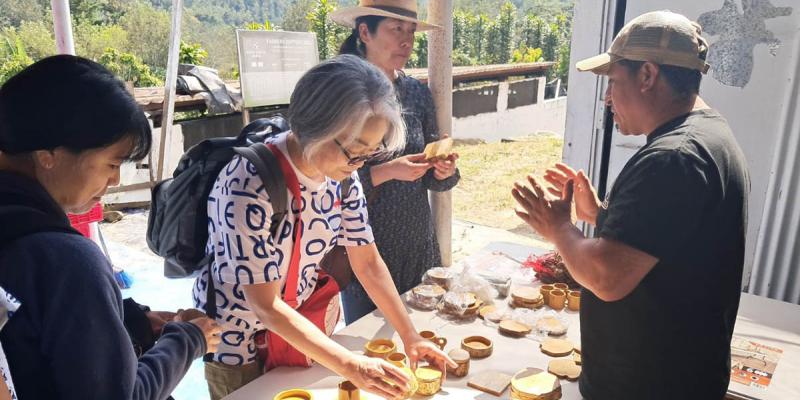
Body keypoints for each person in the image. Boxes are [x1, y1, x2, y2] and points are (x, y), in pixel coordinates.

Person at [512, 11, 750, 400]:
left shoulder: (674, 156)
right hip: (686, 374)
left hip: (650, 384)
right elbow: (669, 242)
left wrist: (559, 228)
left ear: (647, 76)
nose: (607, 98)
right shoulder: (711, 134)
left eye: (613, 82)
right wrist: (597, 215)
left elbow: (607, 278)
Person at [194, 54, 455, 400]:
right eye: (354, 152)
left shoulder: (343, 179)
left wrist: (411, 336)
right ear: (312, 127)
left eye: (370, 155)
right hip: (240, 347)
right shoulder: (248, 183)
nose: (359, 164)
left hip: (300, 331)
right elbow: (266, 307)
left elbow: (367, 262)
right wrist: (351, 365)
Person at [0, 55, 222, 399]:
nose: (116, 179)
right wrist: (188, 340)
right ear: (50, 154)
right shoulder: (65, 261)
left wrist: (128, 319)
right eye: (112, 162)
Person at [332, 0, 460, 324]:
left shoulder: (415, 93)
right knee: (373, 354)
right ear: (365, 31)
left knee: (422, 336)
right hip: (365, 248)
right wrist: (388, 171)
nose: (406, 40)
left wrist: (443, 169)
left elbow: (433, 174)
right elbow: (326, 180)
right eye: (396, 28)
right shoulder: (342, 93)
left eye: (411, 31)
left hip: (417, 244)